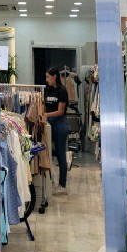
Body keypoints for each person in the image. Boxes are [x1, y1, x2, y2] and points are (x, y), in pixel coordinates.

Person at [44, 66, 70, 195]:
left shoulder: (62, 91)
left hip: (60, 123)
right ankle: (52, 181)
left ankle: (62, 185)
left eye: (48, 77)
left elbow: (60, 111)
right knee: (48, 151)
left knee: (60, 154)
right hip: (49, 123)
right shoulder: (48, 90)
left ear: (54, 77)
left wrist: (46, 115)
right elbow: (46, 106)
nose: (46, 79)